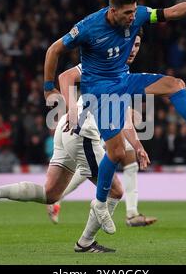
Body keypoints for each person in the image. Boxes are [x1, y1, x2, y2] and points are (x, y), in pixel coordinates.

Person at [43, 0, 186, 234]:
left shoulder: (138, 16)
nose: (132, 17)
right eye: (127, 13)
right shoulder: (89, 27)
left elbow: (173, 12)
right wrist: (49, 88)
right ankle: (100, 204)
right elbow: (53, 50)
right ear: (112, 11)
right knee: (115, 153)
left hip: (123, 81)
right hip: (99, 92)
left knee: (175, 84)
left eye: (134, 11)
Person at [0, 79, 149, 253]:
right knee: (115, 192)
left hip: (67, 127)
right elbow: (125, 118)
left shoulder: (100, 63)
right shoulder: (117, 75)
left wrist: (52, 89)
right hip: (83, 133)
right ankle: (85, 242)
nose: (133, 48)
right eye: (134, 43)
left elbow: (123, 118)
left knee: (50, 194)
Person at [47, 30, 157, 227]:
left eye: (137, 45)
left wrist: (138, 143)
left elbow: (122, 112)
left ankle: (130, 213)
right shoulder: (103, 61)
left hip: (94, 129)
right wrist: (70, 109)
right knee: (103, 167)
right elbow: (66, 77)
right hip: (81, 129)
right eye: (131, 43)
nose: (133, 49)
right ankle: (120, 216)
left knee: (116, 159)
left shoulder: (123, 71)